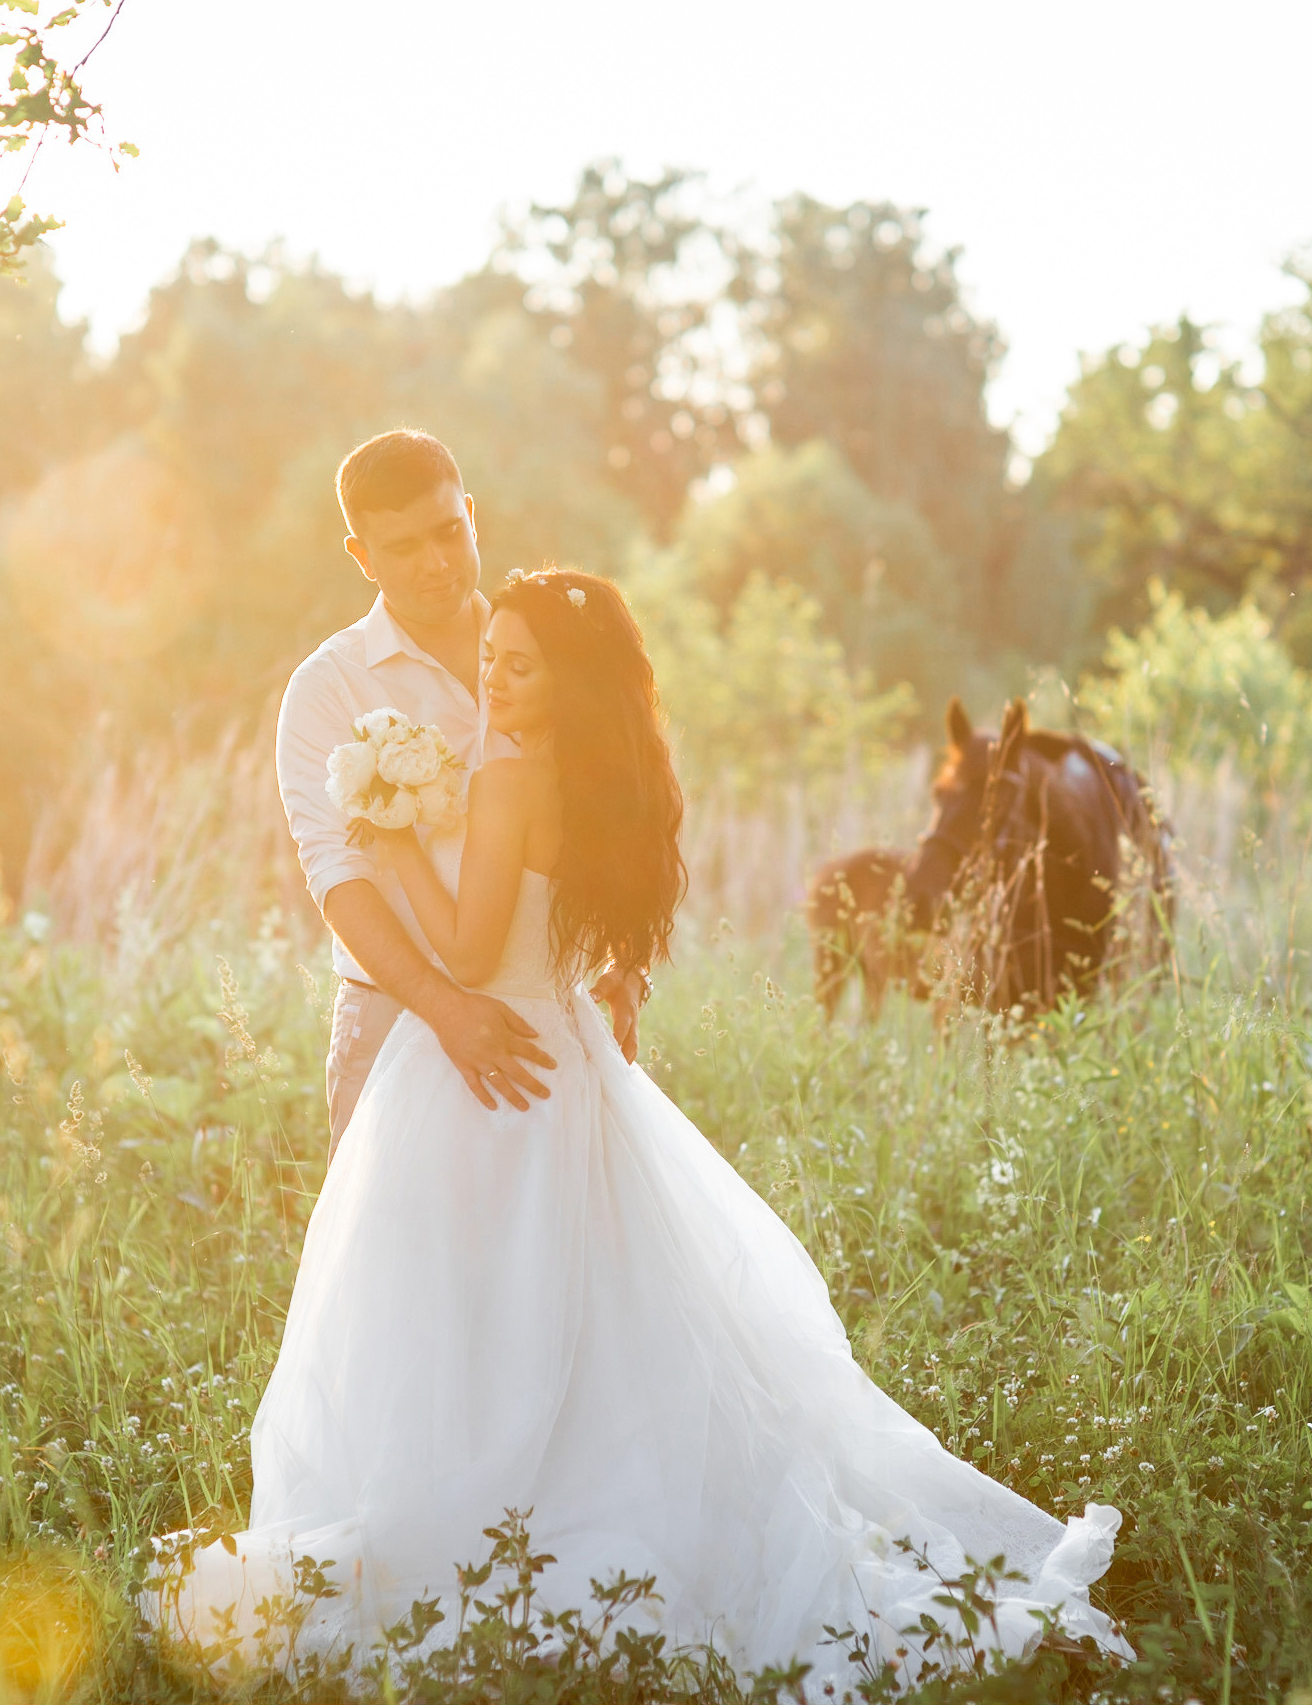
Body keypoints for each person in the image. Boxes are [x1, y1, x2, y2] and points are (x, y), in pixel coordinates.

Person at [146, 565, 1128, 1680]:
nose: (493, 678)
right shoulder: (608, 781)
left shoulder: (512, 775)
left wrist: (392, 840)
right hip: (568, 1059)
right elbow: (586, 938)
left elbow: (468, 957)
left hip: (482, 1064)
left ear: (563, 678)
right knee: (586, 1300)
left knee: (458, 1303)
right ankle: (560, 1489)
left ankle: (474, 1511)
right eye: (490, 660)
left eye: (517, 665)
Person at [273, 430, 647, 1143]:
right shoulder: (328, 686)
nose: (437, 563)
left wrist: (629, 964)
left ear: (471, 514)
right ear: (361, 556)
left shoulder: (545, 649)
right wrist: (444, 1008)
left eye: (448, 532)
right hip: (396, 1018)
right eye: (404, 547)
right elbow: (338, 876)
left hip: (549, 1024)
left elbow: (619, 807)